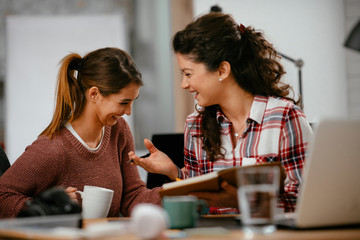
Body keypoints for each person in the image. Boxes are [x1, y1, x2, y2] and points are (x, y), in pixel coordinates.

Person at [129, 12, 313, 214]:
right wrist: (174, 172)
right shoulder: (195, 126)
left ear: (222, 70)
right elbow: (200, 197)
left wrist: (244, 201)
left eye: (188, 74)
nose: (183, 84)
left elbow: (306, 203)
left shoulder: (284, 118)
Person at [0, 47, 161, 218]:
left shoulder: (119, 130)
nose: (128, 112)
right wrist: (47, 208)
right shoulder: (52, 149)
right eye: (123, 102)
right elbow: (3, 196)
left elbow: (132, 196)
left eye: (132, 102)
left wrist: (178, 192)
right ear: (94, 94)